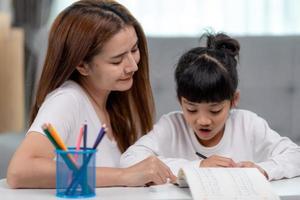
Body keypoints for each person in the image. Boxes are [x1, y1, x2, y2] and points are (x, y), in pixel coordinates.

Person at [6, 0, 176, 188]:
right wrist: (124, 175)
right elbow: (19, 171)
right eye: (117, 60)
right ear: (82, 65)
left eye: (134, 50)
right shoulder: (67, 100)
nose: (133, 65)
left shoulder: (113, 104)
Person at [120, 32, 300, 181]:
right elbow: (129, 160)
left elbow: (295, 155)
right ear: (179, 100)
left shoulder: (248, 124)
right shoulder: (172, 126)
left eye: (215, 110)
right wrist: (198, 167)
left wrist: (263, 169)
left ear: (234, 100)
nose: (203, 120)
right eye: (191, 109)